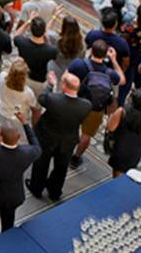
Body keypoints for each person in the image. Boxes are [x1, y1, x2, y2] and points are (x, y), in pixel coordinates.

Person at [0, 108, 40, 241]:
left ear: (0, 136)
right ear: (19, 138)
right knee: (8, 226)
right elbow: (37, 146)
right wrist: (25, 123)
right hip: (13, 197)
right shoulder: (26, 153)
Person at [27, 72, 91, 202]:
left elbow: (42, 98)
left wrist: (50, 85)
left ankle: (36, 188)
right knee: (61, 168)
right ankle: (54, 192)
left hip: (47, 138)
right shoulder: (86, 105)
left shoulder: (53, 99)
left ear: (64, 86)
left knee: (41, 164)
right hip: (68, 141)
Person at [68, 41, 125, 168]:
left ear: (91, 51)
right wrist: (114, 60)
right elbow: (122, 80)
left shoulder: (79, 64)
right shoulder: (109, 73)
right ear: (105, 55)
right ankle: (76, 158)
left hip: (76, 101)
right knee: (86, 135)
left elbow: (66, 77)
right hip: (96, 108)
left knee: (70, 126)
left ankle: (65, 148)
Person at [105, 89, 141, 177]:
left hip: (122, 146)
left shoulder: (122, 111)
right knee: (128, 171)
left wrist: (111, 116)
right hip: (139, 147)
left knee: (117, 173)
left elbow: (111, 127)